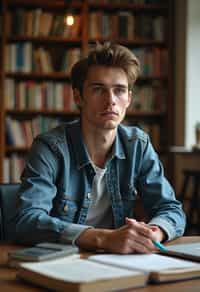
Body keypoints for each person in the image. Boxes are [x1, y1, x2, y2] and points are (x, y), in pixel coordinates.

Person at [14, 43, 186, 254]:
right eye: (98, 89)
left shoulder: (138, 144)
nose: (111, 100)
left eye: (119, 90)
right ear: (78, 97)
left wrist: (153, 233)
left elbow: (170, 209)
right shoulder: (50, 148)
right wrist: (104, 238)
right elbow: (27, 221)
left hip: (119, 261)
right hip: (65, 261)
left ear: (129, 99)